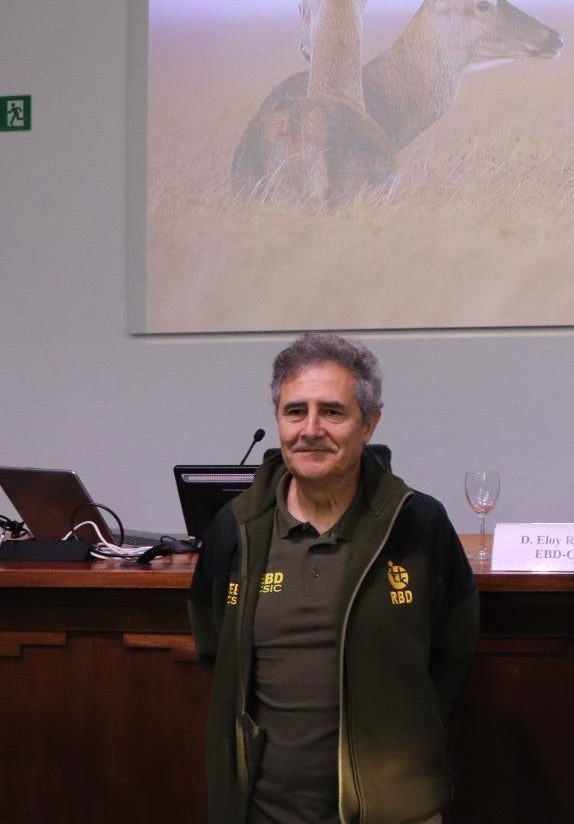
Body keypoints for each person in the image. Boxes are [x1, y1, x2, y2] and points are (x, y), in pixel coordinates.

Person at [189, 332, 478, 824]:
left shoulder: (417, 523)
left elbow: (453, 652)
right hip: (261, 809)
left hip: (393, 810)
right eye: (295, 411)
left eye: (333, 412)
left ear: (369, 424)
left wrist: (406, 735)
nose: (311, 429)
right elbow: (214, 647)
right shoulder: (236, 527)